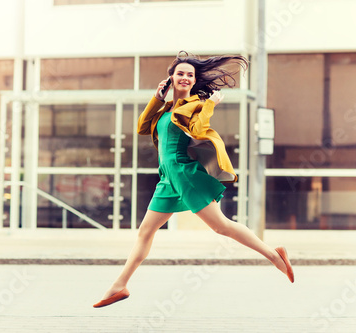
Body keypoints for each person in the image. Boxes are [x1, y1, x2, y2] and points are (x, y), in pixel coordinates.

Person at [93, 51, 294, 308]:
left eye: (190, 74)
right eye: (181, 74)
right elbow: (142, 127)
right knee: (145, 231)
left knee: (221, 226)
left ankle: (274, 255)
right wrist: (156, 98)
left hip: (185, 175)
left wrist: (209, 105)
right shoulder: (165, 109)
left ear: (194, 80)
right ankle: (119, 285)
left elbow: (199, 131)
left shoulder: (196, 105)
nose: (186, 77)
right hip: (167, 179)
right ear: (171, 78)